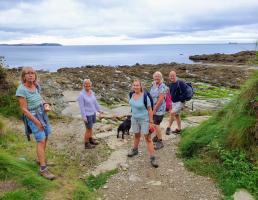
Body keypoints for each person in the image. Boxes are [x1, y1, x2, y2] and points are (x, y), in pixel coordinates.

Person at [16, 67, 55, 180]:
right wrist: (37, 122)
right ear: (24, 76)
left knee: (46, 136)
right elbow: (24, 109)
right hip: (33, 116)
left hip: (42, 113)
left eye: (32, 73)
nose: (30, 75)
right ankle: (43, 169)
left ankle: (40, 159)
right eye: (27, 73)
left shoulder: (36, 85)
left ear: (35, 75)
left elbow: (40, 98)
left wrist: (45, 104)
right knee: (41, 140)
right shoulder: (21, 90)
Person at [127, 79, 159, 168]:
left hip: (144, 120)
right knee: (136, 135)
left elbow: (150, 109)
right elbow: (133, 107)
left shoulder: (145, 96)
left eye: (137, 85)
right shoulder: (131, 94)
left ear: (141, 86)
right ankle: (135, 150)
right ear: (132, 86)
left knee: (148, 138)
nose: (136, 87)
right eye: (134, 85)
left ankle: (153, 158)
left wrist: (151, 122)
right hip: (134, 119)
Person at [78, 79, 102, 149]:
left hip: (93, 113)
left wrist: (99, 110)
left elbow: (95, 102)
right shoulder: (81, 95)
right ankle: (86, 143)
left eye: (89, 84)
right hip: (87, 115)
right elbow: (81, 107)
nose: (87, 85)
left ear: (90, 85)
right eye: (86, 84)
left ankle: (90, 139)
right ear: (83, 85)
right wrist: (84, 117)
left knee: (91, 128)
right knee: (88, 129)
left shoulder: (92, 92)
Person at [166, 70, 188, 135]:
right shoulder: (171, 84)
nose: (172, 77)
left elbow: (185, 92)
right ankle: (179, 129)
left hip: (180, 102)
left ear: (175, 75)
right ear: (169, 77)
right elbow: (170, 94)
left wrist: (181, 100)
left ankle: (168, 128)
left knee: (172, 113)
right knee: (177, 115)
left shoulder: (180, 82)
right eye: (170, 76)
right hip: (174, 102)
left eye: (173, 76)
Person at [149, 71, 167, 150]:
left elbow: (160, 100)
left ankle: (160, 141)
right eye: (155, 76)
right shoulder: (153, 85)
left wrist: (154, 110)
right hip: (153, 108)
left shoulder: (162, 86)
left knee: (156, 124)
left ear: (161, 77)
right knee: (155, 123)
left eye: (158, 76)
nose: (156, 78)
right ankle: (157, 136)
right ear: (153, 77)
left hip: (159, 109)